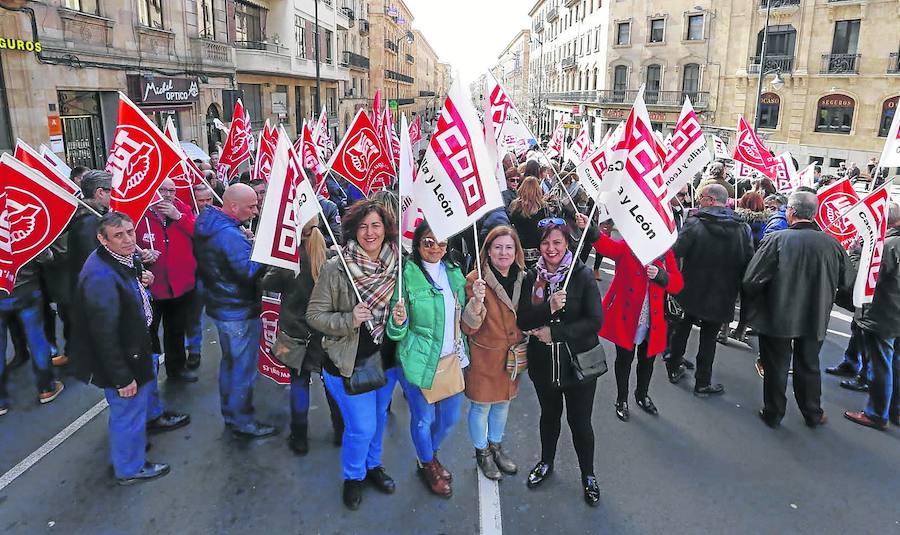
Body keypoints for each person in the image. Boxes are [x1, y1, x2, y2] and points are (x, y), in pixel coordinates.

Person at [70, 212, 189, 485]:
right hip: (124, 357)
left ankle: (144, 430)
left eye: (130, 232)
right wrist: (121, 377)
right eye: (118, 235)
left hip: (137, 345)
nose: (127, 240)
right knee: (126, 411)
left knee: (136, 406)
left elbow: (129, 289)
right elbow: (103, 335)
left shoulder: (121, 259)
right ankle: (129, 467)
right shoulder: (99, 276)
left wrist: (142, 279)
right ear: (102, 239)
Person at [306, 199, 400, 511]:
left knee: (378, 419)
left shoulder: (398, 264)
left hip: (387, 362)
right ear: (352, 231)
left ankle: (373, 467)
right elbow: (315, 316)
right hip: (349, 363)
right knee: (361, 427)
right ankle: (354, 476)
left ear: (385, 229)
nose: (370, 232)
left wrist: (403, 317)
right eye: (362, 227)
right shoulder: (337, 268)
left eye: (375, 225)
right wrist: (350, 319)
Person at [743, 191, 852, 428]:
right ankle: (812, 412)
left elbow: (752, 280)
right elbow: (848, 283)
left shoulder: (777, 240)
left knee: (776, 366)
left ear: (791, 212)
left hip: (777, 313)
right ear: (813, 214)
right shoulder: (832, 243)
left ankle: (774, 413)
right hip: (815, 316)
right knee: (809, 364)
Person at [517, 219, 604, 506]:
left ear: (567, 243)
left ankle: (588, 475)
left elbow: (595, 322)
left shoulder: (581, 276)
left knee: (580, 423)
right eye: (545, 242)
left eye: (557, 242)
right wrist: (548, 308)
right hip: (544, 365)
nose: (550, 248)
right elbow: (524, 319)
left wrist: (555, 332)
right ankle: (546, 462)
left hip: (578, 365)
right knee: (549, 417)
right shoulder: (532, 277)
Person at [388, 223, 467, 498]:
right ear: (418, 244)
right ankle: (427, 463)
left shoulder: (455, 273)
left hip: (451, 359)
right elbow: (394, 329)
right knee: (423, 419)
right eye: (428, 242)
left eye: (441, 243)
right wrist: (398, 323)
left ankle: (428, 455)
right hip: (419, 362)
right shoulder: (406, 275)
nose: (435, 248)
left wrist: (477, 301)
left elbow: (466, 318)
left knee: (450, 419)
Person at [193, 184, 274, 438]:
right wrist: (262, 250)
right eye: (251, 206)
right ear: (233, 206)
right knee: (242, 368)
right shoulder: (227, 235)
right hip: (237, 308)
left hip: (222, 304)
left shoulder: (211, 224)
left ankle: (231, 413)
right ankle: (242, 421)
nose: (255, 210)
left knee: (230, 364)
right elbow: (248, 272)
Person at [667, 184, 754, 394]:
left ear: (711, 200)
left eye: (701, 197)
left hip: (691, 287)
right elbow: (748, 261)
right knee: (709, 339)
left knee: (682, 329)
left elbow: (676, 251)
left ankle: (673, 367)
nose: (698, 200)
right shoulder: (743, 229)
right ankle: (702, 382)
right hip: (723, 292)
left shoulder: (695, 223)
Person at [594, 229, 683, 421]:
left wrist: (661, 275)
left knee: (647, 361)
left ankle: (642, 395)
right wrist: (589, 229)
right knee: (624, 360)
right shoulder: (628, 246)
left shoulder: (665, 253)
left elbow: (677, 284)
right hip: (627, 318)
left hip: (654, 321)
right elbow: (605, 246)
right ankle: (621, 399)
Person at [459, 226, 525, 480]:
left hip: (512, 358)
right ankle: (482, 453)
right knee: (482, 407)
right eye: (497, 247)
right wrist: (476, 302)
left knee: (503, 405)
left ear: (516, 251)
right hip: (485, 358)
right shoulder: (475, 280)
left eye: (509, 247)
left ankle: (496, 447)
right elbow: (468, 327)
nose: (504, 252)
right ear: (487, 250)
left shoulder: (523, 276)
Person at [136, 178, 198, 382]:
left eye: (172, 190)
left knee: (176, 329)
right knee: (149, 332)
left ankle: (176, 369)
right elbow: (125, 246)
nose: (169, 194)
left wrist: (178, 217)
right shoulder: (139, 213)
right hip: (152, 286)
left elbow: (199, 235)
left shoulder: (183, 209)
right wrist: (140, 256)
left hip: (180, 284)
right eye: (163, 190)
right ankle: (149, 373)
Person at [844, 203, 900, 429]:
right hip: (894, 313)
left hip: (884, 313)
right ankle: (895, 410)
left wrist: (856, 253)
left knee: (880, 365)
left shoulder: (888, 246)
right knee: (895, 364)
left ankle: (876, 413)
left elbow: (866, 277)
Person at [0, 253, 64, 415]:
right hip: (26, 289)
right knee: (37, 339)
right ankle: (46, 387)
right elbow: (45, 257)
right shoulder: (21, 227)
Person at [509, 177, 553, 269]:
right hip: (538, 248)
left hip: (519, 246)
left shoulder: (515, 205)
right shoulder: (543, 207)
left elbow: (510, 224)